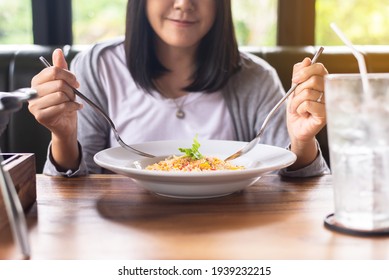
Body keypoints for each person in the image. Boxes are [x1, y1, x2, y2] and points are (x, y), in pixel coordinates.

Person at [29, 0, 329, 177]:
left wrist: (302, 141)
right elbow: (75, 189)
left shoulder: (255, 77)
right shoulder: (97, 65)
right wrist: (63, 136)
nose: (184, 4)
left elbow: (289, 183)